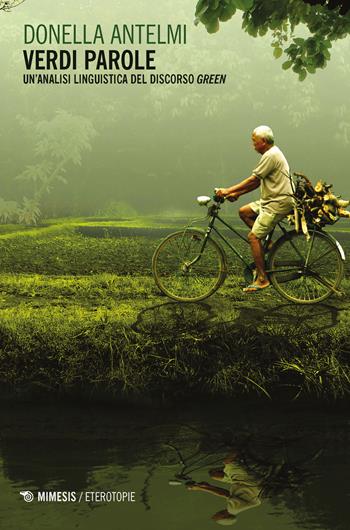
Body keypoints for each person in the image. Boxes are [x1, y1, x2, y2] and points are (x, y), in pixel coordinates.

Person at [215, 126, 294, 293]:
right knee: (244, 212)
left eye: (254, 142)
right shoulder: (271, 153)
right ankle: (270, 245)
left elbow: (253, 180)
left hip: (277, 203)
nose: (253, 146)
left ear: (263, 142)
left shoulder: (271, 155)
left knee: (253, 237)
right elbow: (258, 182)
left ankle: (262, 279)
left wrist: (228, 190)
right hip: (270, 200)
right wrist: (237, 194)